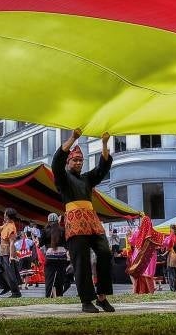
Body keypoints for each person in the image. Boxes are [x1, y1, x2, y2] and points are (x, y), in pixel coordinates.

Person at [52, 128, 115, 314]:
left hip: (92, 221)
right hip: (75, 223)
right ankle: (87, 300)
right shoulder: (62, 178)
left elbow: (103, 167)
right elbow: (57, 161)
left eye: (81, 160)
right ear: (68, 162)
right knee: (82, 262)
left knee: (104, 252)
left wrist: (104, 143)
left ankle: (102, 296)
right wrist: (73, 138)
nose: (78, 162)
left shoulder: (87, 179)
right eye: (75, 160)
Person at [125, 215, 162, 294]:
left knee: (139, 273)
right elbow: (161, 243)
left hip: (139, 254)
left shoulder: (137, 232)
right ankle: (150, 290)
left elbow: (131, 241)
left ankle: (139, 291)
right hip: (151, 255)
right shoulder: (155, 233)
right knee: (148, 274)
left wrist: (128, 236)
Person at [0, 208, 22, 297]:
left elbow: (12, 242)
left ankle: (16, 293)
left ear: (8, 216)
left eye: (5, 214)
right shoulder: (6, 225)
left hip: (7, 253)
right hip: (2, 252)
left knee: (10, 273)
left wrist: (11, 256)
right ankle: (6, 286)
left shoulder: (11, 227)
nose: (3, 215)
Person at [40, 213, 70, 297]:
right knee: (60, 277)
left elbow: (40, 243)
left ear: (48, 221)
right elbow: (67, 243)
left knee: (49, 277)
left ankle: (49, 295)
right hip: (62, 257)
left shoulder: (45, 230)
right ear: (58, 220)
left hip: (50, 256)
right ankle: (59, 295)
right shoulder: (62, 230)